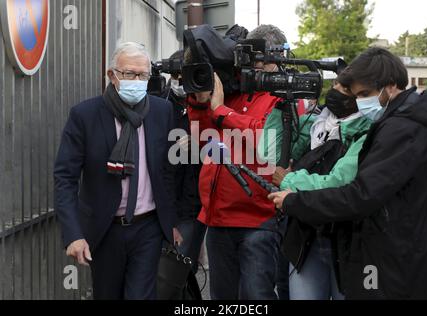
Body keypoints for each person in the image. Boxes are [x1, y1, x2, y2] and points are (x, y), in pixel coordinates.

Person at [269, 47, 427, 299]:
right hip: (418, 255)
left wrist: (294, 201)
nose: (361, 103)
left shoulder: (402, 128)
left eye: (365, 94)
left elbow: (361, 195)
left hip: (399, 261)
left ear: (391, 86)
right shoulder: (420, 119)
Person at [54, 42, 181, 300]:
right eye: (129, 74)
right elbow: (65, 179)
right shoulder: (85, 115)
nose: (136, 80)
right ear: (112, 75)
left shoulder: (162, 111)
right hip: (105, 229)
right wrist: (73, 234)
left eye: (142, 75)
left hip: (148, 227)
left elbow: (170, 170)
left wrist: (174, 221)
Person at [185, 24, 287, 300]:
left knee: (256, 297)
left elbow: (266, 142)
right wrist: (201, 103)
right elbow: (203, 139)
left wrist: (221, 111)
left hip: (259, 220)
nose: (248, 66)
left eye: (255, 59)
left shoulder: (284, 97)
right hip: (218, 219)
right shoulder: (234, 90)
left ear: (274, 58)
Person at [259, 80, 373, 300]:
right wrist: (279, 107)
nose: (336, 91)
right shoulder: (316, 123)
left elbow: (339, 182)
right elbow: (269, 154)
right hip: (306, 235)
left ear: (359, 96)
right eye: (336, 84)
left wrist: (290, 179)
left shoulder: (367, 130)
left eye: (344, 88)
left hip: (345, 239)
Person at [162, 50, 207, 274]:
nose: (180, 82)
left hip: (196, 204)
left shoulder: (205, 103)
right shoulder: (160, 103)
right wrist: (173, 147)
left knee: (186, 271)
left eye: (184, 76)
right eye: (175, 76)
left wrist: (199, 144)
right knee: (171, 272)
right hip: (171, 204)